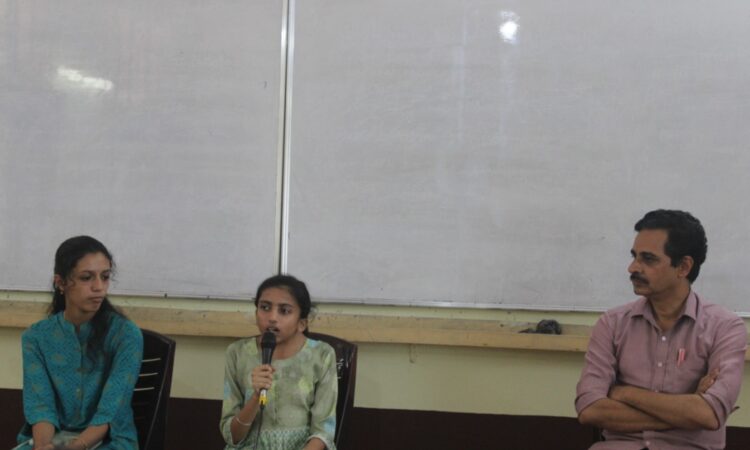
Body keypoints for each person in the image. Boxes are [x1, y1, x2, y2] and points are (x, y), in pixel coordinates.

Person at [576, 210, 747, 450]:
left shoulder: (725, 327)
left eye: (648, 259)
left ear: (683, 267)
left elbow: (709, 414)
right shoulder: (612, 323)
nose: (632, 267)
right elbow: (590, 410)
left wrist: (624, 393)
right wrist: (686, 410)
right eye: (634, 256)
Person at [14, 236, 144, 450]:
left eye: (105, 277)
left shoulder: (126, 335)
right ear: (60, 283)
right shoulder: (35, 337)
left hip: (110, 441)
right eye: (86, 278)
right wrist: (43, 446)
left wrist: (77, 446)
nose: (99, 287)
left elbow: (110, 410)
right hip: (53, 439)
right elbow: (41, 407)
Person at [220, 275, 338, 450]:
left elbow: (323, 432)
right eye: (265, 307)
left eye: (284, 311)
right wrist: (255, 396)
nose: (272, 317)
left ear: (302, 323)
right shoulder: (237, 353)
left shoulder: (322, 355)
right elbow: (233, 437)